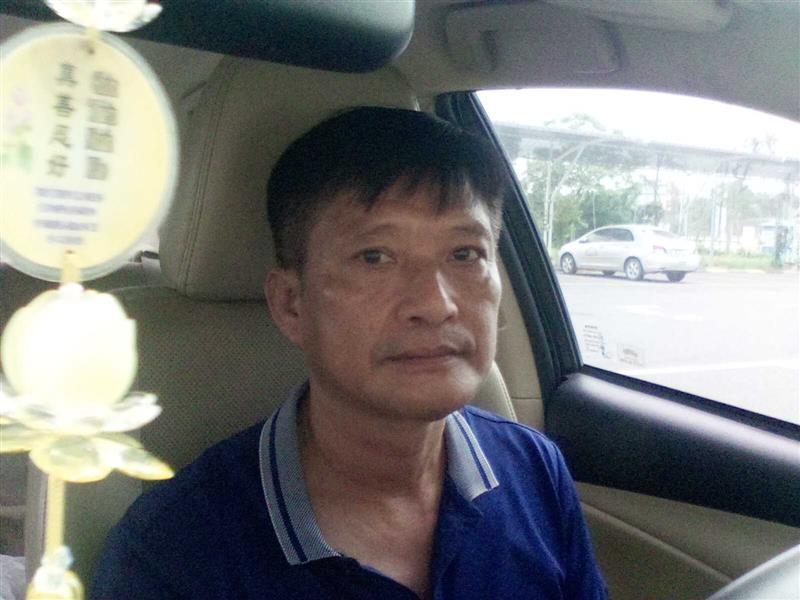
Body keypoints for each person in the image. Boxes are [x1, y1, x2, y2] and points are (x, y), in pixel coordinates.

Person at [91, 107, 607, 599]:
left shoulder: (534, 470)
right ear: (291, 304)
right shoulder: (172, 553)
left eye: (464, 253)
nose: (436, 304)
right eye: (375, 257)